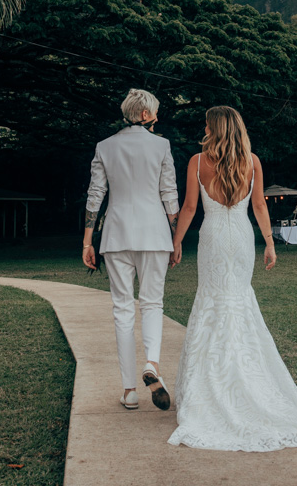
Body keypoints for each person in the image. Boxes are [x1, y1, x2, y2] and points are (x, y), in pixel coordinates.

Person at [168, 106, 297, 451]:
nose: (203, 128)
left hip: (212, 238)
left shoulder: (198, 161)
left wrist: (176, 241)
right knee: (238, 301)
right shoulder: (252, 161)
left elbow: (191, 208)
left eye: (207, 124)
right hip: (241, 238)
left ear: (215, 128)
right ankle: (247, 379)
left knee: (212, 301)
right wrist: (269, 243)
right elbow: (259, 207)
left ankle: (209, 386)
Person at [82, 89, 180, 411]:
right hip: (154, 234)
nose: (157, 117)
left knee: (123, 310)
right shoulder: (162, 146)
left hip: (116, 235)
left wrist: (87, 241)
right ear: (144, 115)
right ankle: (152, 363)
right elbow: (169, 195)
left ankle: (129, 391)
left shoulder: (105, 147)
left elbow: (95, 195)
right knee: (152, 303)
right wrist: (176, 237)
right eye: (154, 112)